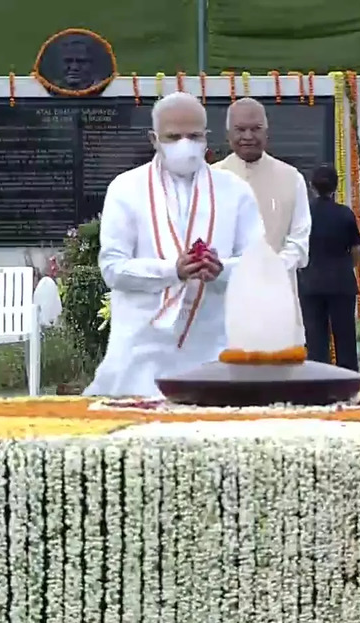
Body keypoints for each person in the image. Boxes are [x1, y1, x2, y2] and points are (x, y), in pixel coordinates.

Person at [85, 92, 265, 397]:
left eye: (194, 135)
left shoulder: (235, 191)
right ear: (154, 139)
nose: (185, 144)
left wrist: (221, 270)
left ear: (207, 138)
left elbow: (258, 263)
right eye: (173, 136)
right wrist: (172, 271)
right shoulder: (126, 188)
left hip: (214, 347)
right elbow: (113, 269)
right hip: (141, 350)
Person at [211, 97, 310, 345]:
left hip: (277, 300)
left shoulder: (291, 178)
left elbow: (299, 240)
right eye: (240, 129)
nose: (248, 136)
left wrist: (272, 267)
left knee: (278, 379)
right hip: (223, 301)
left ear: (267, 132)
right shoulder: (210, 179)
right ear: (228, 134)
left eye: (255, 129)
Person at [297, 166, 360, 371]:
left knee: (315, 337)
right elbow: (356, 249)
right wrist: (346, 267)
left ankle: (318, 381)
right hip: (341, 282)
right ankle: (349, 380)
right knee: (345, 336)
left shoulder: (303, 214)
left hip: (310, 282)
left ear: (311, 186)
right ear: (336, 187)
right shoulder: (345, 214)